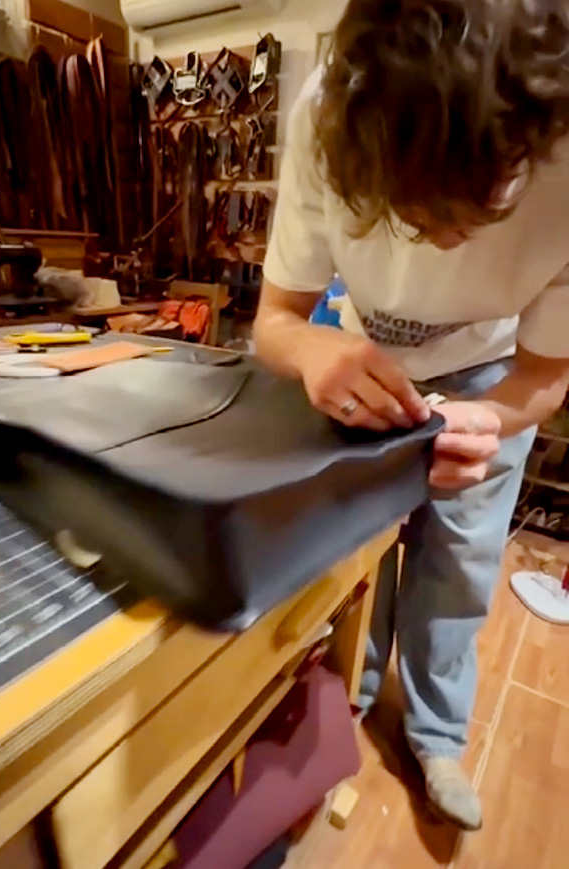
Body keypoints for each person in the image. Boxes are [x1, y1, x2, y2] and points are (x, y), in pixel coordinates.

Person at [254, 0, 569, 830]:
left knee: (460, 560)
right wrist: (315, 352)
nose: (442, 241)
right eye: (414, 208)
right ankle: (348, 696)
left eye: (473, 207)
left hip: (497, 366)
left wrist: (489, 416)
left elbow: (547, 372)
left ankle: (436, 734)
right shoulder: (328, 112)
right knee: (358, 542)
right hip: (361, 359)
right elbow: (274, 320)